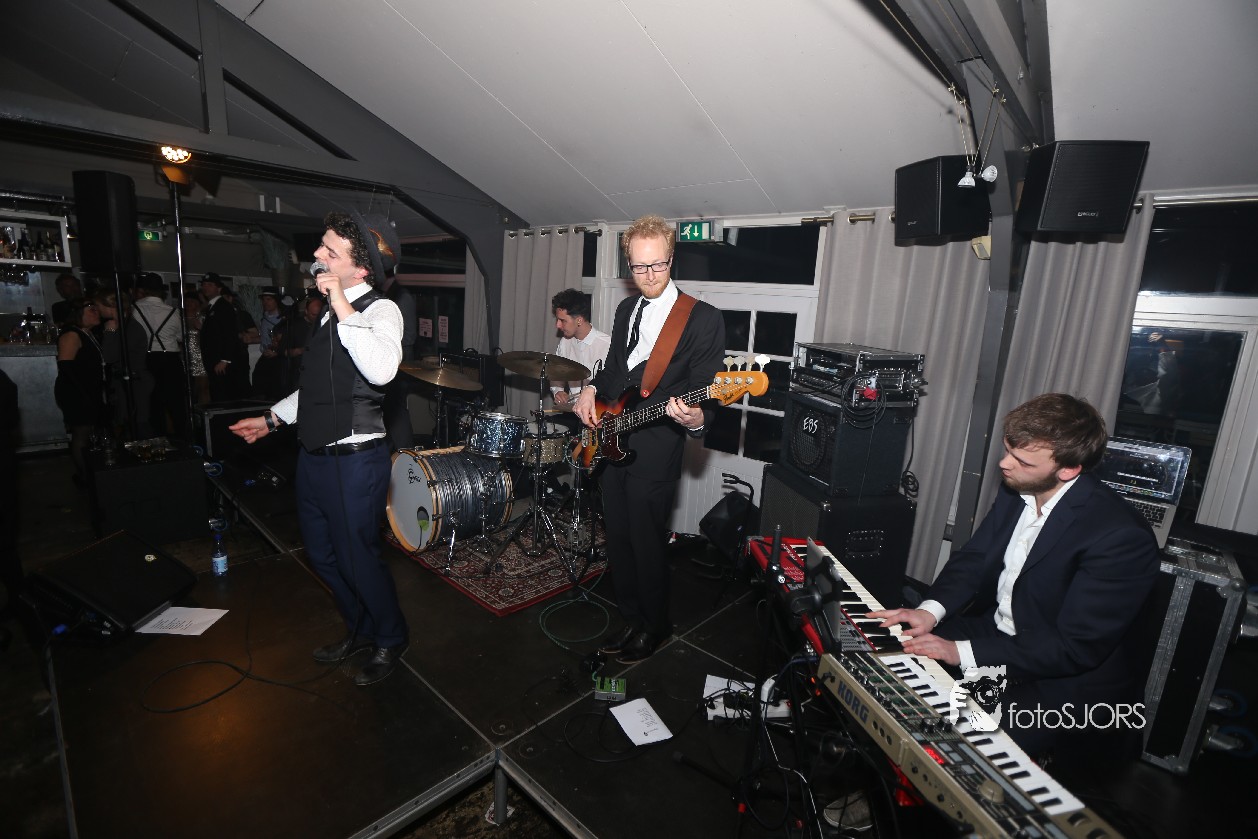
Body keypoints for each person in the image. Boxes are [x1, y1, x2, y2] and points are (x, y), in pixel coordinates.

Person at [870, 393, 1160, 764]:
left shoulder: (1120, 536)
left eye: (1022, 460)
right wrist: (930, 611)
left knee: (950, 741)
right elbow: (975, 559)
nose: (1004, 465)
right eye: (1008, 450)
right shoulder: (1020, 488)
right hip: (1002, 634)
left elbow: (1073, 648)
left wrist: (957, 652)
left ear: (1068, 470)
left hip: (1065, 680)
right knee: (887, 664)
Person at [228, 211, 408, 686]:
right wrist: (270, 419)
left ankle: (391, 638)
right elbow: (318, 389)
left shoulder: (380, 312)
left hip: (355, 461)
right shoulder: (332, 311)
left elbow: (382, 370)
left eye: (330, 251)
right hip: (313, 455)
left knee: (357, 559)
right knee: (323, 556)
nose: (316, 255)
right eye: (321, 246)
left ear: (361, 268)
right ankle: (359, 628)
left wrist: (342, 304)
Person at [573, 214, 725, 664]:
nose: (650, 275)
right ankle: (631, 618)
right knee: (619, 541)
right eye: (640, 267)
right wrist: (591, 389)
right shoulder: (626, 310)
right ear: (629, 266)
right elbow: (616, 371)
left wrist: (696, 418)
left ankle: (655, 628)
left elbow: (706, 390)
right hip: (612, 438)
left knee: (647, 544)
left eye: (658, 265)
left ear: (671, 258)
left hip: (657, 450)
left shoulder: (702, 318)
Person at [54, 298, 107, 486]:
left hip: (88, 390)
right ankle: (85, 477)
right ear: (77, 314)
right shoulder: (71, 334)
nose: (97, 312)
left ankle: (92, 474)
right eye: (91, 309)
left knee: (89, 432)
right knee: (81, 433)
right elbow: (66, 368)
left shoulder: (87, 333)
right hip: (76, 391)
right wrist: (84, 395)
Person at [131, 273, 187, 437]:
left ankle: (159, 439)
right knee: (176, 403)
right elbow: (181, 336)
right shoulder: (172, 311)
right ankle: (183, 439)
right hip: (169, 359)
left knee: (153, 402)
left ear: (144, 290)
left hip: (146, 359)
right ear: (162, 291)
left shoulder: (134, 309)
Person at [549, 288, 610, 415]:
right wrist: (558, 391)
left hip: (599, 414)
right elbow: (556, 374)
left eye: (563, 320)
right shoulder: (565, 342)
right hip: (573, 413)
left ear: (579, 320)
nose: (558, 325)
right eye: (557, 320)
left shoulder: (607, 344)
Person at [379, 268, 417, 450]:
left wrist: (385, 343)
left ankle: (405, 451)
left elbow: (409, 336)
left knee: (397, 408)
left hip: (400, 362)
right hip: (390, 361)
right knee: (388, 409)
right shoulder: (387, 295)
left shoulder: (402, 296)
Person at [199, 273, 250, 402]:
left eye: (210, 285)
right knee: (217, 393)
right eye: (204, 285)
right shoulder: (212, 306)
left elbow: (230, 334)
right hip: (213, 359)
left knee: (223, 395)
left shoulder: (223, 306)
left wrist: (225, 360)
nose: (206, 287)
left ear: (219, 288)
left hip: (221, 360)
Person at [252, 287, 287, 400]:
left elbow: (288, 339)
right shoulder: (265, 317)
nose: (265, 302)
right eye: (264, 300)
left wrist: (277, 351)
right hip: (266, 354)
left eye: (269, 299)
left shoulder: (284, 319)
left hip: (278, 356)